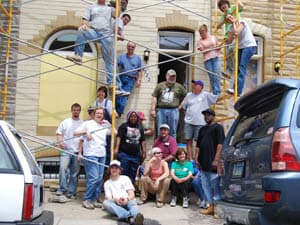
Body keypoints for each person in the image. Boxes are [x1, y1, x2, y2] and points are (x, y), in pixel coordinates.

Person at [66, 0, 129, 96]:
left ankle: (113, 86)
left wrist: (119, 2)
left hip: (107, 35)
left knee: (110, 61)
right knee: (81, 30)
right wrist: (84, 25)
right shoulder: (91, 7)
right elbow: (85, 19)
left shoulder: (110, 8)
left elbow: (117, 15)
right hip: (94, 32)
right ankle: (78, 56)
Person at [74, 107, 111, 209]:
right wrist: (86, 132)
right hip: (90, 154)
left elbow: (114, 132)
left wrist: (108, 123)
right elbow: (75, 133)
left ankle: (94, 200)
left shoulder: (104, 126)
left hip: (101, 154)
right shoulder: (88, 124)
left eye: (101, 113)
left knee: (99, 179)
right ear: (94, 114)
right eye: (97, 113)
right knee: (94, 178)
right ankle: (87, 199)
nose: (99, 115)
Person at [179, 80, 220, 161]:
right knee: (188, 141)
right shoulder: (189, 95)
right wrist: (188, 116)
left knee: (199, 142)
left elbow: (216, 99)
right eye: (193, 84)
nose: (193, 86)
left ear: (201, 87)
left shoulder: (206, 95)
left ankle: (198, 159)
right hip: (189, 122)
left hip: (200, 123)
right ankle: (191, 159)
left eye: (196, 84)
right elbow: (184, 107)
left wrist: (228, 94)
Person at [195, 108, 225, 215]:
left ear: (213, 116)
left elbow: (220, 144)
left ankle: (217, 209)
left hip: (213, 162)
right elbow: (198, 145)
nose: (206, 117)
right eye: (205, 115)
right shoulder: (202, 129)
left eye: (208, 115)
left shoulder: (218, 128)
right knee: (205, 186)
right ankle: (211, 207)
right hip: (203, 162)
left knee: (215, 186)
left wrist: (216, 159)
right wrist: (196, 158)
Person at [103, 160, 144, 225]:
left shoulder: (125, 178)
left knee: (132, 203)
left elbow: (132, 194)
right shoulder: (107, 183)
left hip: (127, 200)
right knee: (106, 203)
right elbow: (109, 198)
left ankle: (136, 218)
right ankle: (129, 217)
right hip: (116, 203)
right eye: (112, 168)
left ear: (120, 170)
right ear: (109, 170)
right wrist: (116, 200)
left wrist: (126, 199)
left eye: (116, 168)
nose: (114, 170)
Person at [56, 103, 83, 199]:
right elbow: (59, 133)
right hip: (66, 151)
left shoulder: (83, 123)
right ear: (71, 111)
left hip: (76, 151)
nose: (76, 111)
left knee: (74, 173)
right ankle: (62, 189)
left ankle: (71, 192)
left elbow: (83, 139)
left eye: (77, 110)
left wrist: (80, 151)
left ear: (80, 111)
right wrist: (61, 142)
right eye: (74, 110)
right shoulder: (65, 122)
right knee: (62, 169)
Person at [151, 69, 187, 138]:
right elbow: (155, 97)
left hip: (174, 110)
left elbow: (186, 96)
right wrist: (153, 109)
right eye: (170, 76)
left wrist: (181, 106)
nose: (172, 78)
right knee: (160, 129)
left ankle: (171, 147)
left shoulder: (179, 86)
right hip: (161, 110)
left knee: (172, 130)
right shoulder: (160, 85)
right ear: (166, 76)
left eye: (174, 76)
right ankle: (160, 147)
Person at [227, 15, 257, 96]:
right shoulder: (231, 27)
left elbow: (237, 32)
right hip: (241, 47)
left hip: (249, 46)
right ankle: (234, 88)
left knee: (241, 67)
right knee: (237, 68)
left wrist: (234, 24)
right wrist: (230, 32)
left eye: (231, 17)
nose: (230, 19)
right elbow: (229, 41)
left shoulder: (242, 22)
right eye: (228, 19)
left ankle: (238, 91)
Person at [114, 111, 146, 183]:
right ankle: (122, 190)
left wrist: (144, 151)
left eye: (135, 117)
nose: (133, 118)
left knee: (133, 173)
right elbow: (119, 137)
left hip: (136, 156)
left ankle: (130, 189)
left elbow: (143, 140)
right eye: (131, 116)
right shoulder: (123, 126)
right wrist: (116, 149)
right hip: (124, 154)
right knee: (123, 172)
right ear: (128, 117)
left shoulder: (140, 128)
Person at [217, 0, 244, 77]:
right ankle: (230, 70)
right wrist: (224, 20)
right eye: (221, 5)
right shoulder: (223, 16)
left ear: (227, 4)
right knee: (227, 54)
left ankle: (232, 70)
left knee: (232, 50)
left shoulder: (232, 8)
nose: (223, 6)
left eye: (224, 4)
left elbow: (241, 6)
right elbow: (217, 26)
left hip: (235, 33)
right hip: (228, 36)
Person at [116, 41, 143, 115]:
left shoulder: (138, 58)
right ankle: (115, 112)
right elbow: (115, 67)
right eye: (129, 46)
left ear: (134, 48)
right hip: (121, 78)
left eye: (132, 47)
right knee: (117, 96)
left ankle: (118, 113)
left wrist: (139, 80)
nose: (130, 48)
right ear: (127, 47)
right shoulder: (121, 57)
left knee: (124, 97)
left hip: (131, 80)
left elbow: (140, 70)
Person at [197, 24, 221, 95]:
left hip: (216, 58)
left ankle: (217, 92)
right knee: (212, 77)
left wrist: (218, 47)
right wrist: (212, 48)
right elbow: (203, 51)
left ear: (206, 31)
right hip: (207, 60)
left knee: (217, 75)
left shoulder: (213, 38)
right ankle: (215, 92)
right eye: (200, 33)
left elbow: (218, 47)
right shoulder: (200, 41)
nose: (201, 34)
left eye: (202, 32)